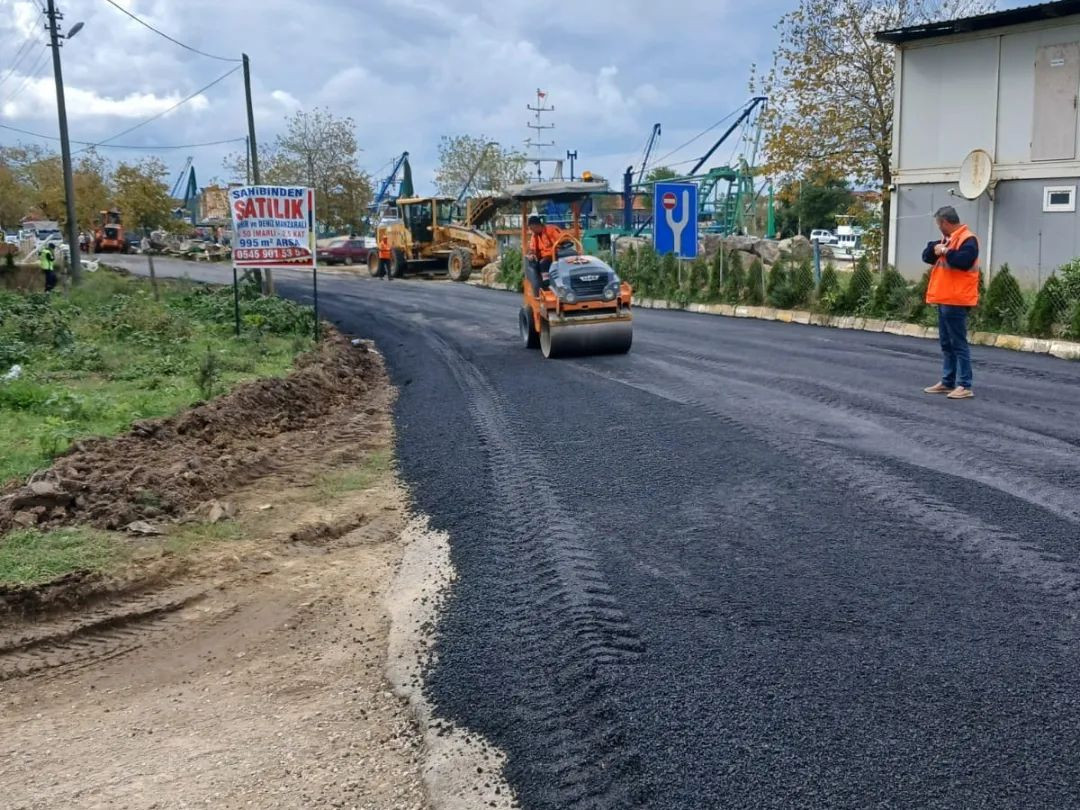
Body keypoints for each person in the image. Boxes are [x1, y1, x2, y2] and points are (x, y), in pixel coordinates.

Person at [922, 205, 979, 400]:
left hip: (956, 299)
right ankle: (948, 382)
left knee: (958, 344)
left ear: (946, 222)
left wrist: (945, 251)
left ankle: (964, 384)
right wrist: (936, 249)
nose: (938, 227)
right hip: (944, 298)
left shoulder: (967, 239)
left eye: (939, 224)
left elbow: (964, 261)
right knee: (947, 343)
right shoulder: (949, 239)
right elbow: (927, 255)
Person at [525, 215, 563, 297]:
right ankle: (541, 287)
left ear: (537, 225)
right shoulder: (534, 236)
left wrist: (561, 244)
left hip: (557, 254)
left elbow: (563, 239)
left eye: (532, 228)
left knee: (543, 263)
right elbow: (532, 248)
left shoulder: (551, 229)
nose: (531, 230)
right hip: (545, 258)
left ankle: (547, 285)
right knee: (537, 264)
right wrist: (531, 254)